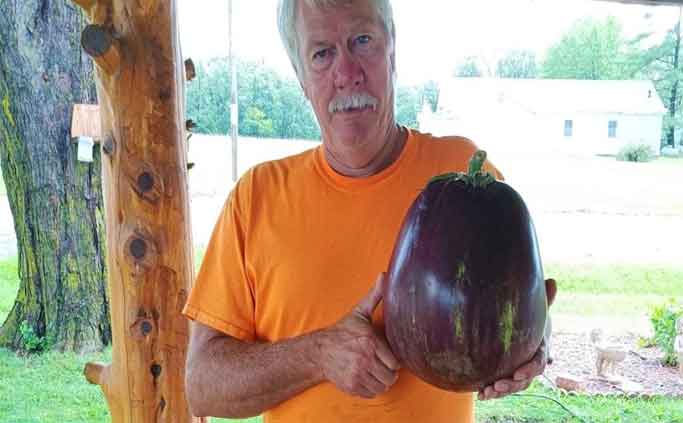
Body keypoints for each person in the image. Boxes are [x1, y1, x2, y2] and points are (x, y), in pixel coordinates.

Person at [183, 0, 556, 421]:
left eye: (363, 41)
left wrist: (533, 343)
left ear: (392, 51)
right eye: (322, 53)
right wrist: (318, 354)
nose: (347, 73)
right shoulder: (256, 197)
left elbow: (518, 303)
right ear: (303, 79)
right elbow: (202, 387)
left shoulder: (469, 175)